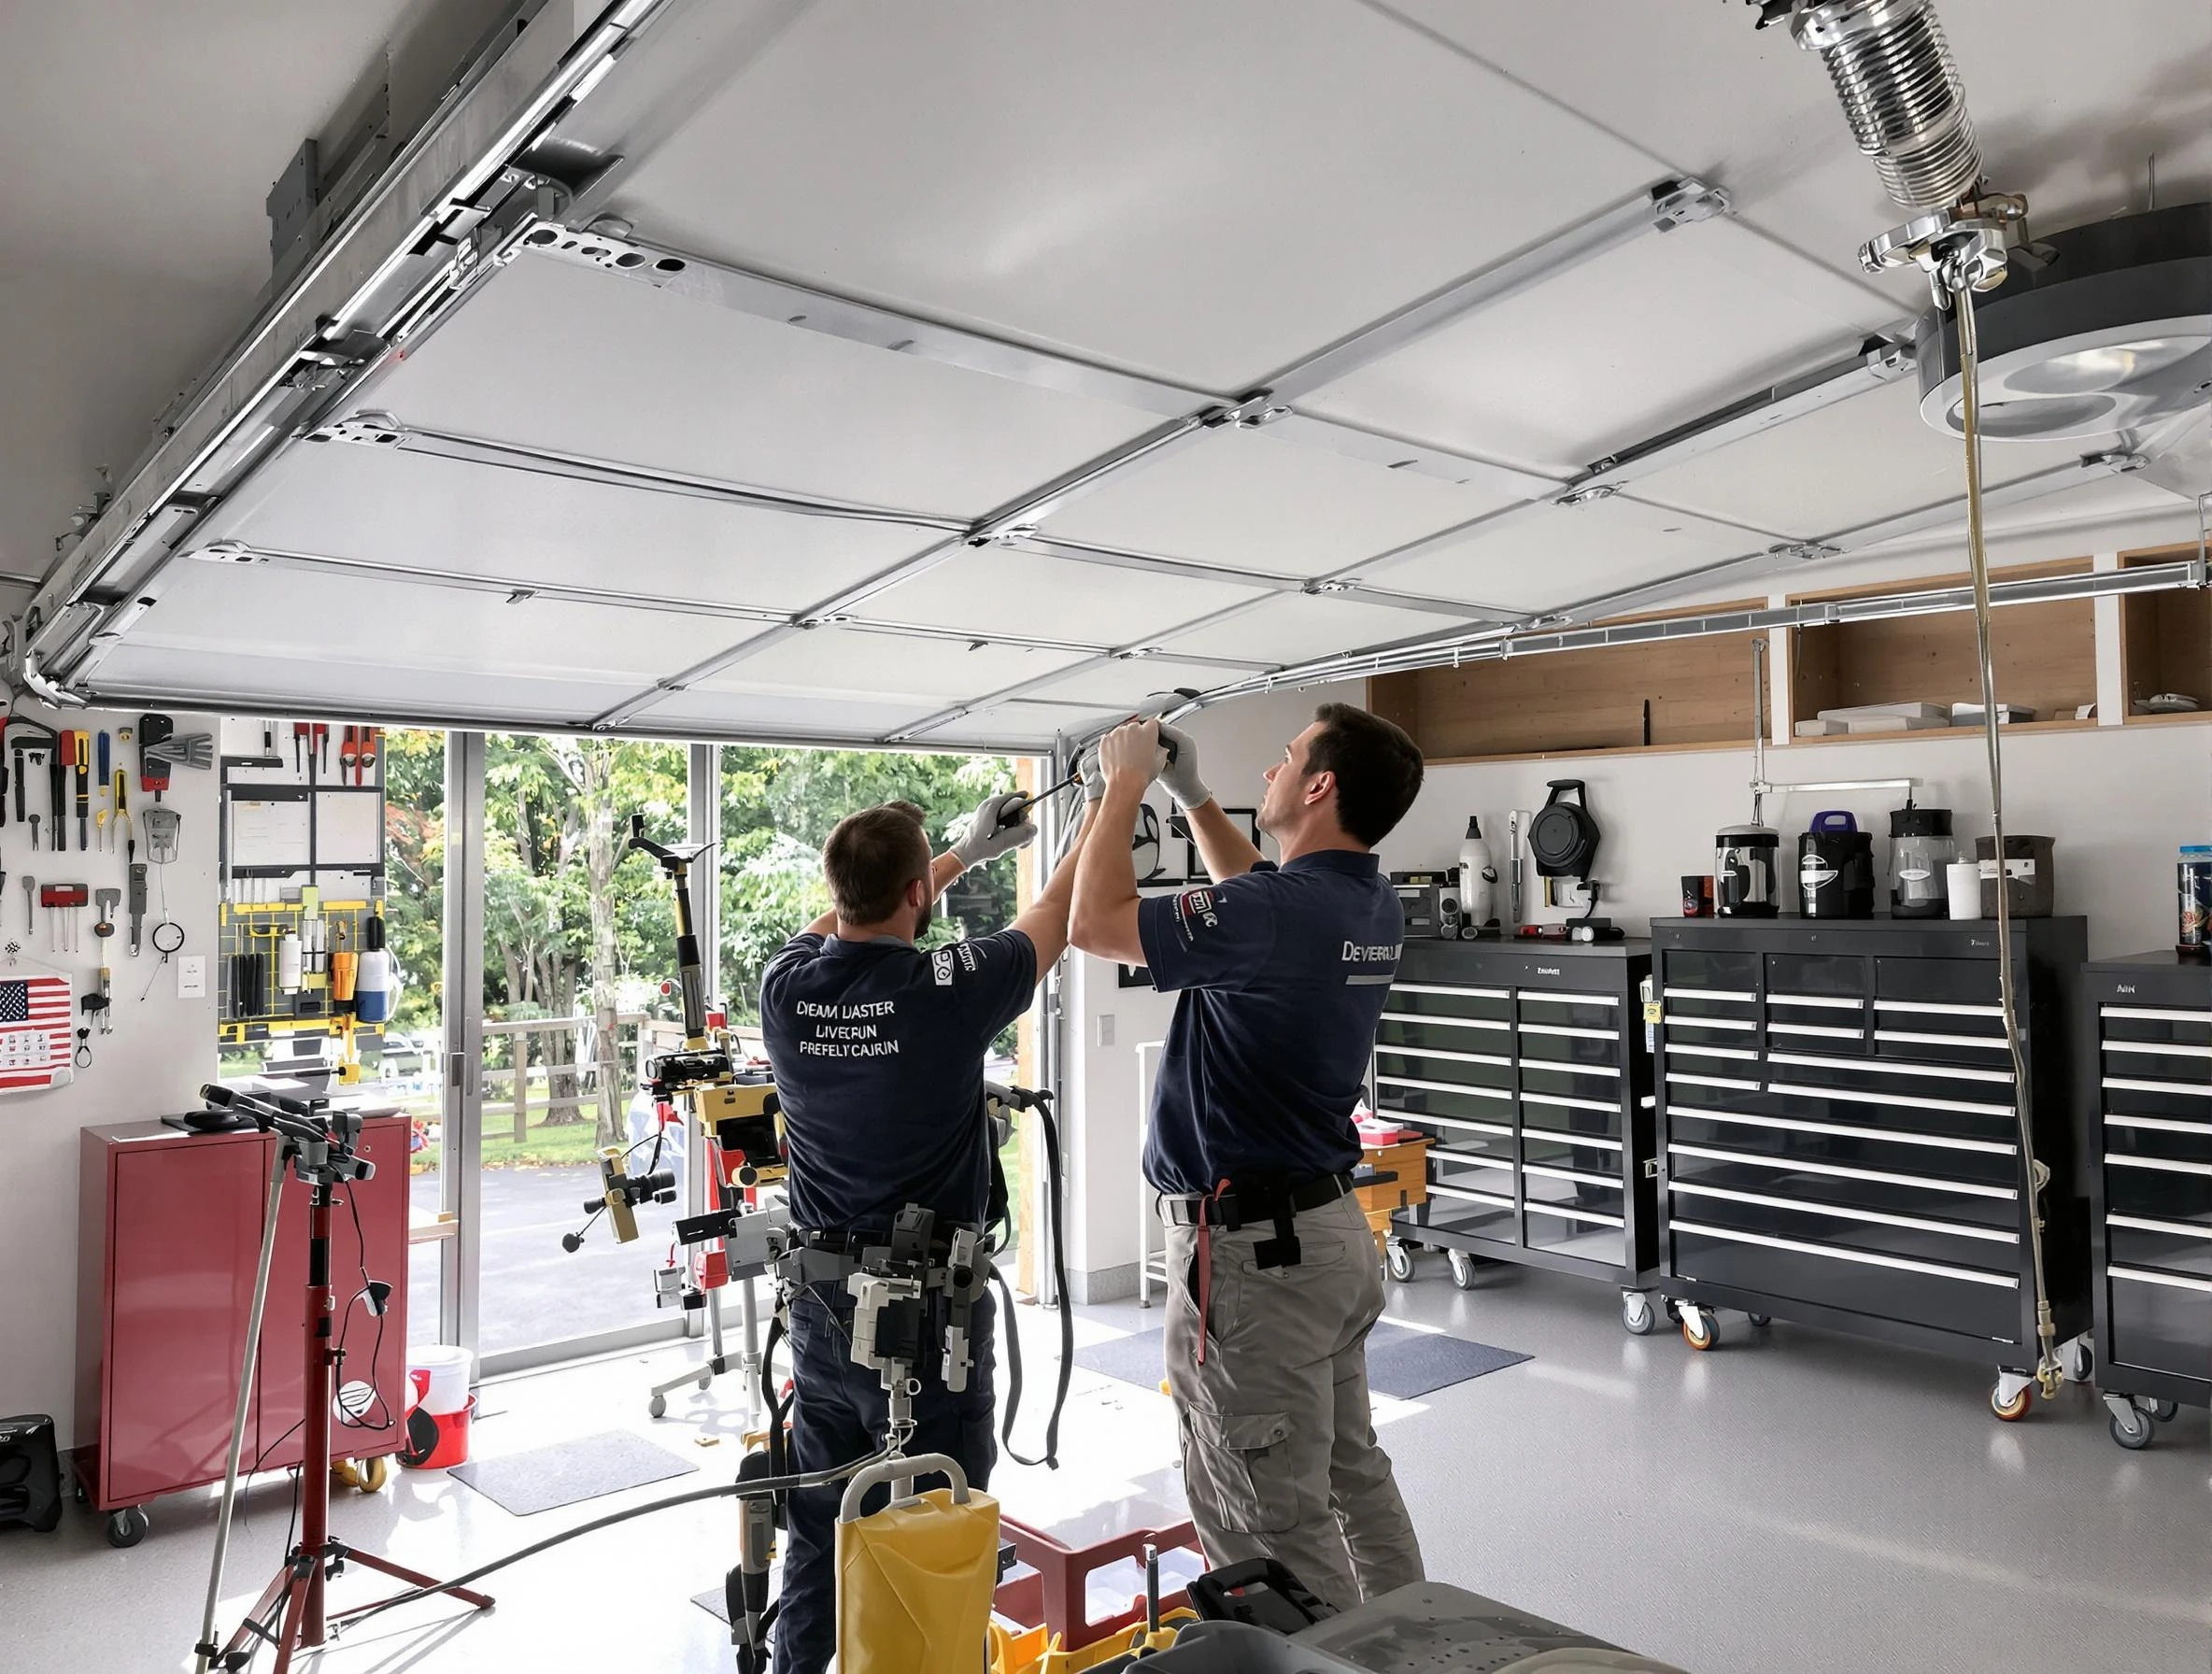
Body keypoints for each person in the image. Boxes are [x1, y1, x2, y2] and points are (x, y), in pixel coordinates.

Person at [1069, 704, 1426, 1610]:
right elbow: (1264, 888)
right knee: (1354, 1475)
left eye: (1287, 757)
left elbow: (1095, 923)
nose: (1270, 768)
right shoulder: (1363, 900)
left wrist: (1124, 787)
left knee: (1268, 1521)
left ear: (1318, 786)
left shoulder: (1276, 911)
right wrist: (1191, 793)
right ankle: (1417, 1651)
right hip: (1328, 1237)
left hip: (1258, 1264)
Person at [759, 788, 1094, 1674]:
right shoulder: (943, 990)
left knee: (819, 1527)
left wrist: (948, 857)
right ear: (915, 897)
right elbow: (1052, 917)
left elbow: (843, 914)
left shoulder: (785, 986)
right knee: (941, 1524)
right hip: (930, 1323)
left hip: (823, 1315)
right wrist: (1104, 804)